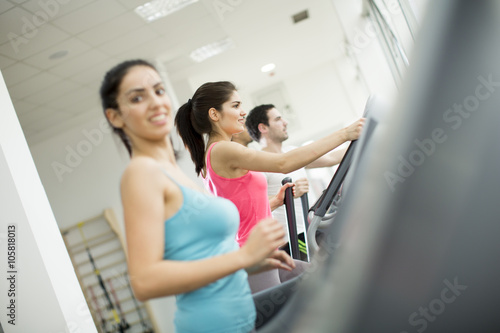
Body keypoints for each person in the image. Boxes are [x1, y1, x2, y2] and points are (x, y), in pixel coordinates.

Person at [100, 60, 295, 333]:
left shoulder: (173, 172)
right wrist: (242, 258)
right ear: (116, 116)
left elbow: (200, 259)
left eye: (158, 90)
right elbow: (144, 282)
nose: (156, 102)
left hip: (241, 318)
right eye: (137, 97)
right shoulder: (141, 173)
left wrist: (250, 264)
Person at [175, 81, 364, 290]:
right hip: (255, 255)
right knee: (306, 304)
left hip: (267, 251)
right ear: (214, 114)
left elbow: (236, 209)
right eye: (236, 105)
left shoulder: (215, 153)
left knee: (325, 284)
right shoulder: (223, 150)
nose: (243, 112)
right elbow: (284, 163)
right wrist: (345, 134)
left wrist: (275, 201)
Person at [245, 104, 348, 259]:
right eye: (278, 119)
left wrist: (362, 139)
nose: (285, 122)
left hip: (314, 228)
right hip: (293, 240)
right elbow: (253, 207)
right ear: (263, 127)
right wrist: (289, 194)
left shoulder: (291, 153)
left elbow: (331, 158)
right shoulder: (259, 165)